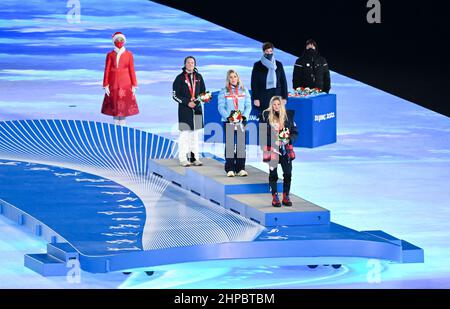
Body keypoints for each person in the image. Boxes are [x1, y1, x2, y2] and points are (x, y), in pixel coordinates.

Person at [260, 96, 298, 207]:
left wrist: (288, 139)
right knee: (273, 174)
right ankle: (275, 196)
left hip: (286, 150)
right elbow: (262, 135)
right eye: (274, 104)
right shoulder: (265, 116)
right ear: (271, 105)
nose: (276, 106)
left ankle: (286, 195)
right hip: (273, 150)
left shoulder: (288, 116)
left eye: (278, 104)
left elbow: (295, 132)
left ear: (282, 105)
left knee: (288, 173)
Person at [172, 56, 206, 167]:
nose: (190, 64)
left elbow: (203, 93)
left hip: (196, 110)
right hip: (184, 110)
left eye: (192, 62)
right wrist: (187, 102)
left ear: (195, 64)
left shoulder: (199, 77)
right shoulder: (179, 78)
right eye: (188, 62)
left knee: (195, 135)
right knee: (184, 135)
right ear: (185, 64)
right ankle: (183, 159)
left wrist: (196, 102)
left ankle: (194, 158)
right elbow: (175, 95)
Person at [218, 70, 252, 177]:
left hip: (241, 121)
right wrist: (228, 118)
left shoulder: (244, 90)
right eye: (231, 77)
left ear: (238, 78)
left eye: (235, 77)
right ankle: (230, 169)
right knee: (230, 145)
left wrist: (244, 116)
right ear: (228, 79)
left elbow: (248, 105)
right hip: (229, 121)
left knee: (241, 145)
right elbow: (221, 107)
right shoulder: (224, 91)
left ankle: (240, 168)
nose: (233, 79)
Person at [101, 32, 139, 126]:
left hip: (126, 84)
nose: (119, 42)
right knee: (114, 104)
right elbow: (107, 70)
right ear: (114, 41)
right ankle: (115, 124)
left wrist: (134, 84)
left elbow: (132, 70)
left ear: (124, 41)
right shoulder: (110, 55)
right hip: (113, 84)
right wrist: (105, 84)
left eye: (121, 40)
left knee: (123, 105)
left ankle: (123, 124)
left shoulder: (129, 54)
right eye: (117, 40)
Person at [251, 42, 288, 114]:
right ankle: (263, 126)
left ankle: (277, 126)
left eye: (271, 51)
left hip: (277, 95)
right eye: (267, 51)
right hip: (263, 96)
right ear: (263, 52)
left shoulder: (278, 64)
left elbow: (283, 82)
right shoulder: (257, 65)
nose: (269, 53)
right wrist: (256, 98)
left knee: (277, 118)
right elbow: (254, 83)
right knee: (263, 119)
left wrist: (285, 97)